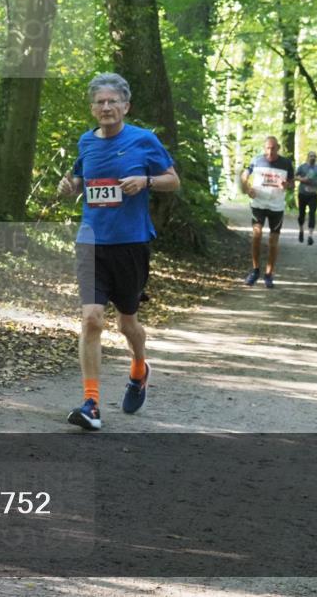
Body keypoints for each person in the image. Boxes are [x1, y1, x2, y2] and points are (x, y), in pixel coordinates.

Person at [58, 73, 180, 431]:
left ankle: (139, 368)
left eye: (113, 101)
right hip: (91, 242)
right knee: (92, 318)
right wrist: (68, 186)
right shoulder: (86, 142)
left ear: (126, 106)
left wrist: (147, 181)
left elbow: (173, 180)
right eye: (100, 102)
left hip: (130, 243)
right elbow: (78, 180)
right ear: (92, 108)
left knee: (128, 323)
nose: (106, 107)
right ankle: (91, 403)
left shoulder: (143, 140)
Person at [241, 136, 295, 289]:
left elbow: (292, 184)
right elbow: (244, 175)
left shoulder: (286, 163)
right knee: (256, 235)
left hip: (276, 206)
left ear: (278, 147)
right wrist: (248, 189)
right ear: (264, 148)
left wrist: (287, 185)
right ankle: (255, 271)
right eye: (267, 148)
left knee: (273, 241)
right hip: (258, 203)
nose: (270, 151)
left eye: (273, 148)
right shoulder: (257, 160)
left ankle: (269, 274)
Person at [295, 150, 317, 245]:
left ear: (316, 158)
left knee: (312, 214)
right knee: (301, 214)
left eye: (314, 156)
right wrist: (302, 179)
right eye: (311, 156)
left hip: (313, 195)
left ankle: (310, 236)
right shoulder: (302, 167)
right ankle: (301, 230)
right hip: (302, 194)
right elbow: (294, 176)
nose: (313, 158)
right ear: (307, 157)